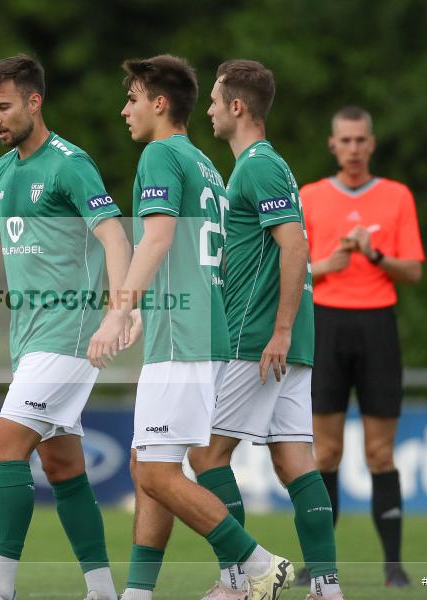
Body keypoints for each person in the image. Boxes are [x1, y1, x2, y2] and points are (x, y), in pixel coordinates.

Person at [0, 54, 131, 600]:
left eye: (4, 106)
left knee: (3, 447)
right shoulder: (1, 172)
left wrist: (119, 309)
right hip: (32, 339)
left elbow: (115, 237)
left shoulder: (69, 163)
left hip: (70, 334)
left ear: (35, 102)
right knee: (62, 465)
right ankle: (103, 591)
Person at [87, 54, 295, 600]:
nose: (123, 109)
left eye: (132, 98)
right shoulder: (205, 164)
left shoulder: (159, 154)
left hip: (182, 337)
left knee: (156, 473)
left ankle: (258, 564)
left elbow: (155, 239)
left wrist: (118, 309)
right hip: (202, 331)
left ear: (159, 103)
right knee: (148, 464)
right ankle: (137, 592)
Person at [186, 60, 344, 600]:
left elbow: (295, 245)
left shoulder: (257, 166)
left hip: (258, 339)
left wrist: (277, 330)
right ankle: (326, 587)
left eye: (213, 100)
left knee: (204, 456)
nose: (206, 109)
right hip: (289, 340)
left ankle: (239, 580)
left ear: (237, 107)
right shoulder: (261, 166)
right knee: (294, 460)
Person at [297, 106, 423, 588]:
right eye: (344, 141)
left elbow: (412, 270)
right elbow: (293, 266)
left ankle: (393, 566)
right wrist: (330, 262)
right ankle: (319, 564)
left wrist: (373, 254)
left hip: (376, 327)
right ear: (333, 145)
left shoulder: (396, 197)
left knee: (379, 453)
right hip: (326, 326)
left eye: (360, 141)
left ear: (371, 144)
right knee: (324, 453)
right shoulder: (310, 196)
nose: (352, 149)